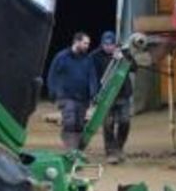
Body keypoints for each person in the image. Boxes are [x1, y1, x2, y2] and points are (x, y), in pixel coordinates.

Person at [46, 31, 98, 151]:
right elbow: (52, 74)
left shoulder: (88, 59)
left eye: (88, 44)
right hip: (66, 96)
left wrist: (94, 93)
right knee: (70, 122)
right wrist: (52, 92)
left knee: (79, 125)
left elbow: (92, 77)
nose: (87, 46)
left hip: (83, 98)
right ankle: (71, 150)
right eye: (85, 43)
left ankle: (77, 151)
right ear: (76, 42)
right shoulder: (61, 57)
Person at [96, 30, 135, 161]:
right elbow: (92, 75)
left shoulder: (124, 54)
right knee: (108, 123)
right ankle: (110, 152)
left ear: (115, 44)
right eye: (105, 45)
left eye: (111, 44)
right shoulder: (96, 57)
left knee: (125, 121)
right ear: (102, 44)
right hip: (107, 96)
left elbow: (135, 68)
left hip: (123, 95)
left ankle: (119, 148)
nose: (108, 47)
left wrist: (123, 59)